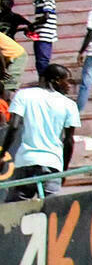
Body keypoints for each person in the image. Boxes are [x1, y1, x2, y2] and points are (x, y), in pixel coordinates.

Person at [5, 62, 81, 198]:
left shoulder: (23, 95)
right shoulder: (69, 105)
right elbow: (69, 141)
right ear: (56, 80)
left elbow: (14, 126)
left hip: (26, 161)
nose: (70, 85)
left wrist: (2, 154)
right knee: (53, 213)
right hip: (52, 164)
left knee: (16, 211)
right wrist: (63, 170)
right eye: (67, 81)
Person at [26, 0, 56, 74]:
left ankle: (44, 81)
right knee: (39, 61)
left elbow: (46, 17)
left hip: (45, 35)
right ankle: (42, 79)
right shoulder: (38, 1)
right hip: (39, 35)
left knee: (43, 61)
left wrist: (32, 24)